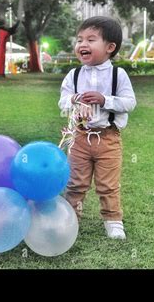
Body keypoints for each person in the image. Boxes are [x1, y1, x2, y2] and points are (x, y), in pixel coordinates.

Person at [58, 16, 136, 239]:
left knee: (108, 184)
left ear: (110, 47)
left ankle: (113, 221)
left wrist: (105, 100)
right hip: (80, 138)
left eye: (91, 40)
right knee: (75, 183)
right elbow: (62, 100)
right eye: (80, 39)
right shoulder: (73, 75)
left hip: (108, 139)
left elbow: (130, 102)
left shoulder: (117, 75)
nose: (82, 44)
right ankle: (71, 218)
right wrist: (73, 100)